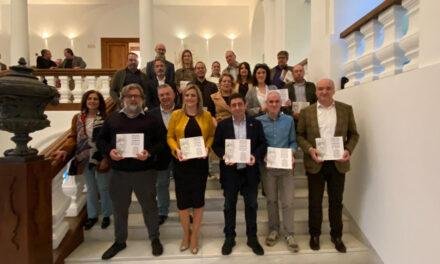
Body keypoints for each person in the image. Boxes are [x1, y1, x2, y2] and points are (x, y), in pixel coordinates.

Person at [97, 84, 164, 259]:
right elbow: (101, 140)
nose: (133, 99)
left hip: (145, 172)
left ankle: (155, 238)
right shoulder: (112, 119)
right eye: (129, 96)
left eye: (136, 96)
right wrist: (109, 152)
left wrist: (149, 152)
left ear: (142, 99)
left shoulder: (152, 119)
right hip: (119, 173)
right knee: (119, 209)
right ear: (122, 98)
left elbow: (162, 142)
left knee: (149, 207)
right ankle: (120, 241)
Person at [296, 78, 359, 253]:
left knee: (336, 201)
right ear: (316, 91)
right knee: (314, 201)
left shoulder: (346, 110)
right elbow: (299, 135)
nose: (324, 92)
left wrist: (348, 150)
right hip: (316, 162)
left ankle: (336, 235)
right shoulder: (306, 112)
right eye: (320, 89)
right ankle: (314, 234)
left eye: (328, 88)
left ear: (334, 90)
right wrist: (309, 150)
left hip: (338, 163)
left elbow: (354, 134)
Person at [212, 93, 267, 256]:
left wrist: (254, 156)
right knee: (229, 206)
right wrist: (224, 156)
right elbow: (216, 146)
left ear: (245, 105)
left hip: (250, 172)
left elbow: (263, 143)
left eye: (239, 104)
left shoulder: (255, 124)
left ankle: (252, 238)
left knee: (251, 206)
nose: (236, 107)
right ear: (230, 107)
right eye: (233, 104)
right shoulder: (223, 125)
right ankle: (230, 238)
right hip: (230, 173)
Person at [52, 90, 112, 230]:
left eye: (95, 99)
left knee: (103, 188)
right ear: (85, 101)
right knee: (90, 188)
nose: (92, 101)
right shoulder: (78, 118)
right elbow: (73, 137)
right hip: (84, 156)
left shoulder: (106, 117)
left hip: (101, 156)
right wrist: (64, 150)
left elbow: (111, 139)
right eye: (89, 98)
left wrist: (107, 158)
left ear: (100, 102)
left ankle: (107, 215)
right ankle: (92, 216)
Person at [167, 84, 215, 255]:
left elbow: (210, 136)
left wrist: (207, 149)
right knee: (182, 203)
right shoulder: (176, 115)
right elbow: (170, 137)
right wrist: (176, 150)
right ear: (183, 97)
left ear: (198, 98)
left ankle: (194, 235)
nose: (189, 98)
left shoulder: (207, 115)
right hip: (181, 164)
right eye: (187, 95)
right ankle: (185, 234)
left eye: (193, 95)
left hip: (199, 165)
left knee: (198, 201)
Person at [256, 91, 299, 252]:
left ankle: (289, 233)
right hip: (267, 168)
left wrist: (292, 153)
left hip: (286, 166)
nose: (273, 104)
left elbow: (293, 142)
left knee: (288, 201)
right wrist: (263, 154)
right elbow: (258, 143)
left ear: (281, 103)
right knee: (271, 200)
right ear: (266, 104)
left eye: (276, 101)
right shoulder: (258, 121)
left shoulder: (289, 121)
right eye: (270, 102)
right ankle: (274, 230)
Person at [148, 84, 178, 225]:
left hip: (180, 155)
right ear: (158, 97)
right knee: (161, 184)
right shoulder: (151, 114)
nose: (165, 97)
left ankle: (184, 210)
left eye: (168, 94)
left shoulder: (182, 111)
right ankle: (162, 211)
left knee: (182, 184)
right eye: (162, 95)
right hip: (160, 156)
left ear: (174, 95)